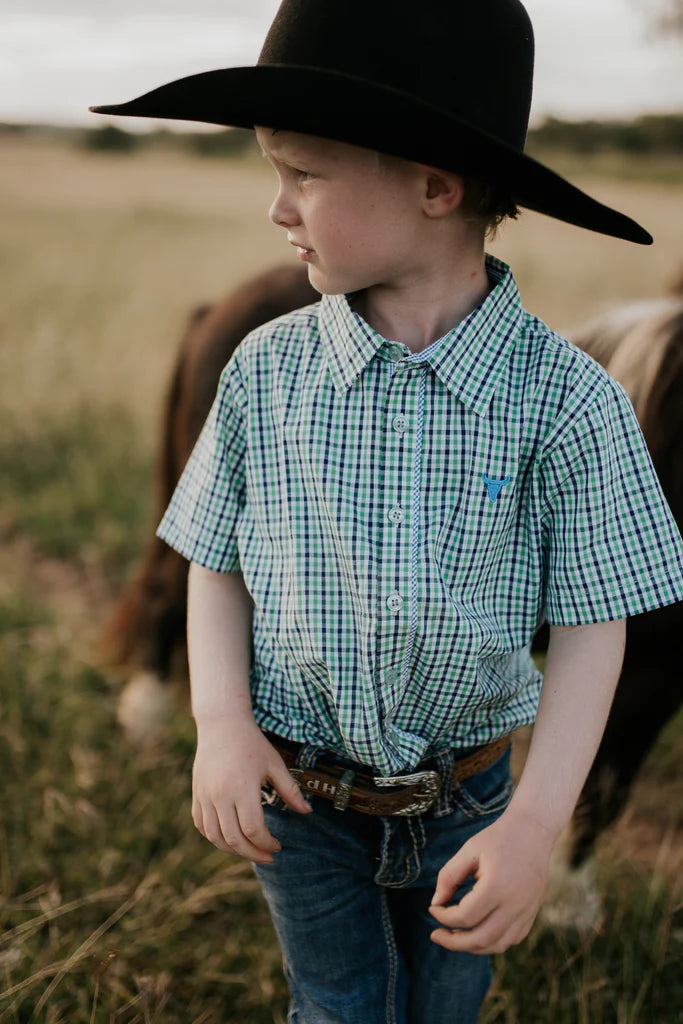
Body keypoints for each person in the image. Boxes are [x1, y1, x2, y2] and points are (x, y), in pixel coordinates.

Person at [90, 2, 683, 1021]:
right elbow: (213, 556)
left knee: (443, 1007)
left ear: (435, 187)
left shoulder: (569, 402)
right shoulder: (265, 373)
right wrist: (221, 722)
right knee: (337, 1006)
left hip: (468, 798)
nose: (276, 208)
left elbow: (596, 620)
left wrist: (539, 823)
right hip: (302, 799)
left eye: (304, 174)